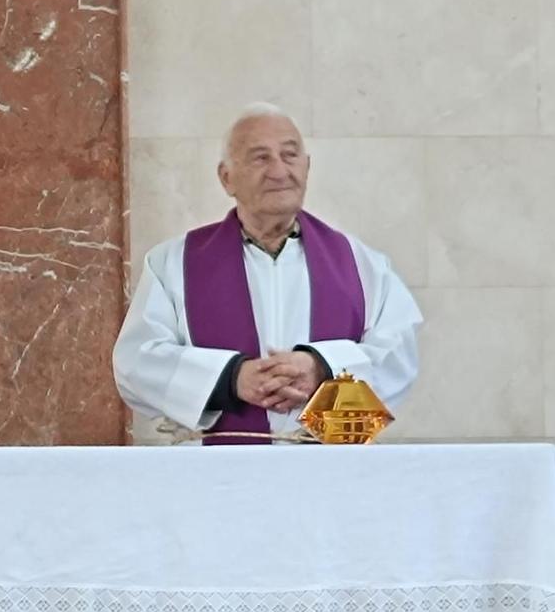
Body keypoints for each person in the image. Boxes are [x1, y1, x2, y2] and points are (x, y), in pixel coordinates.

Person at [113, 103, 421, 442]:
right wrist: (230, 379)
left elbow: (399, 360)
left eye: (290, 155)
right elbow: (136, 365)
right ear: (226, 178)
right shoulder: (173, 263)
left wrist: (321, 368)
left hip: (331, 472)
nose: (279, 171)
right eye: (260, 157)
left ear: (307, 167)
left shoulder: (362, 264)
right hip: (216, 476)